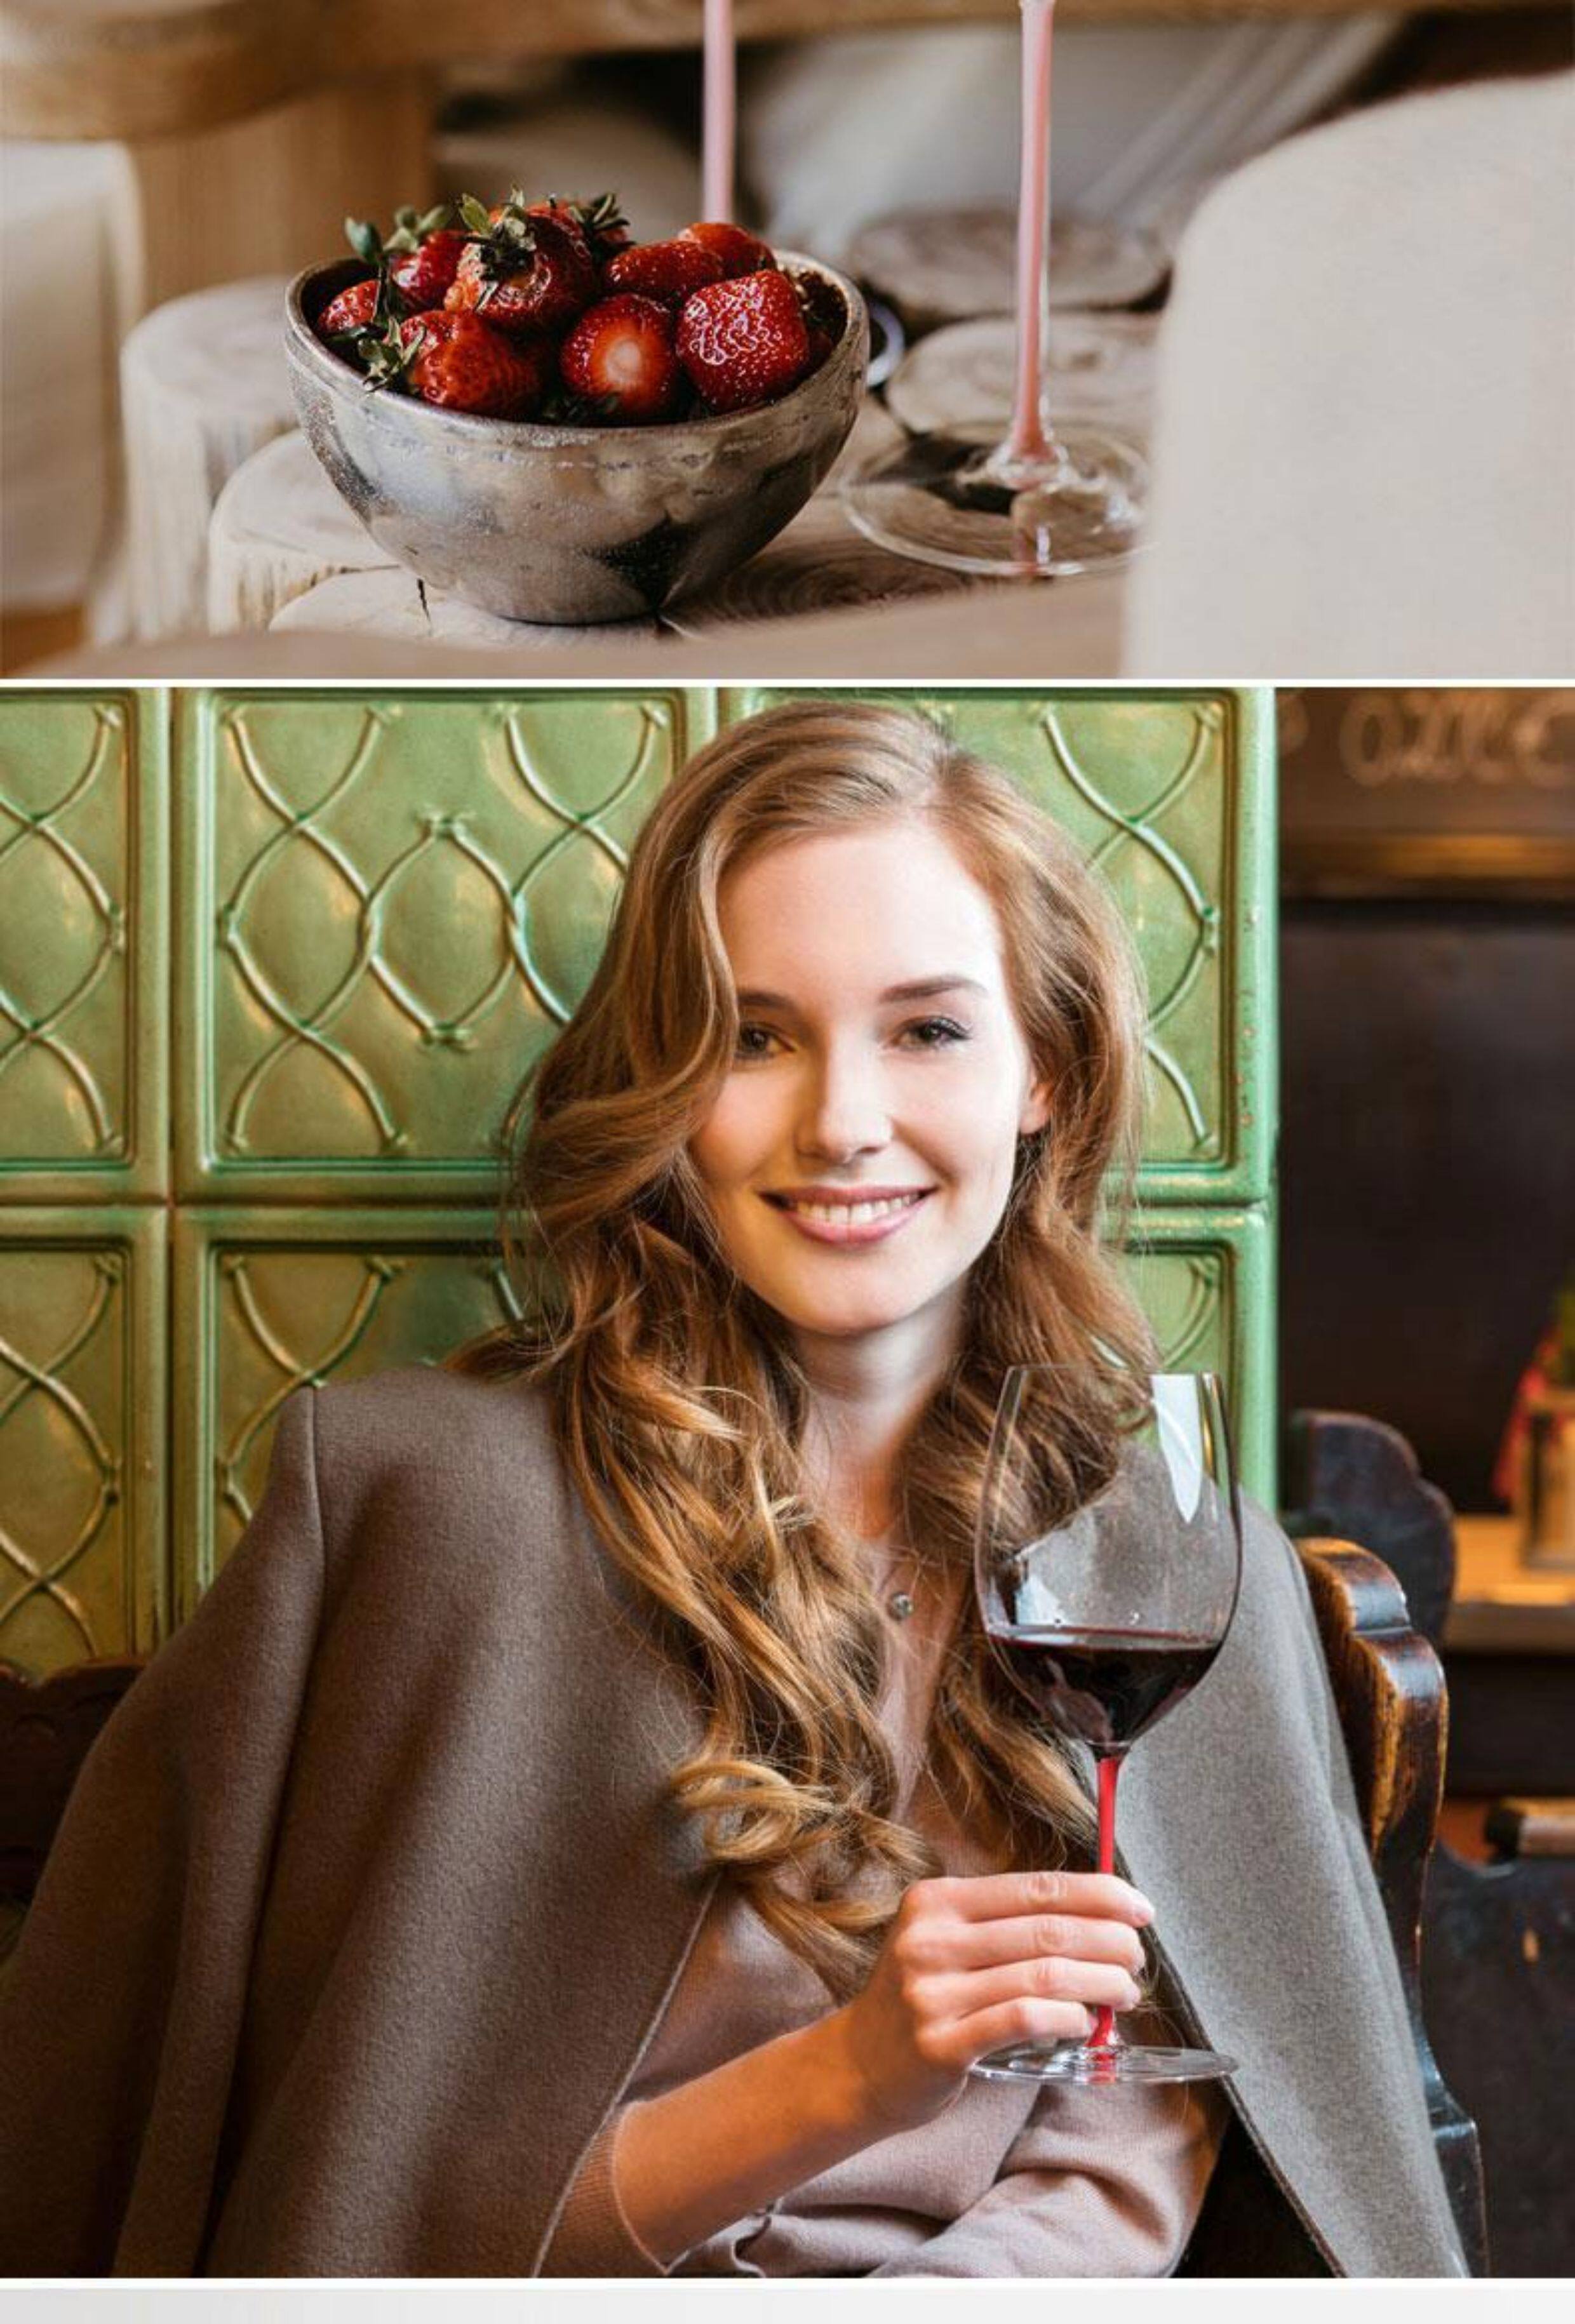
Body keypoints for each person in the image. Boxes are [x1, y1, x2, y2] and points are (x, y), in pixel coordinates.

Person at [0, 701, 1464, 2277]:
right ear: (664, 1083)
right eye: (755, 1037)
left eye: (928, 1031)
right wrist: (846, 2078)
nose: (842, 1125)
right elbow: (359, 2212)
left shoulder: (1174, 1572)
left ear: (1045, 1068)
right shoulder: (421, 1507)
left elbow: (1140, 2157)